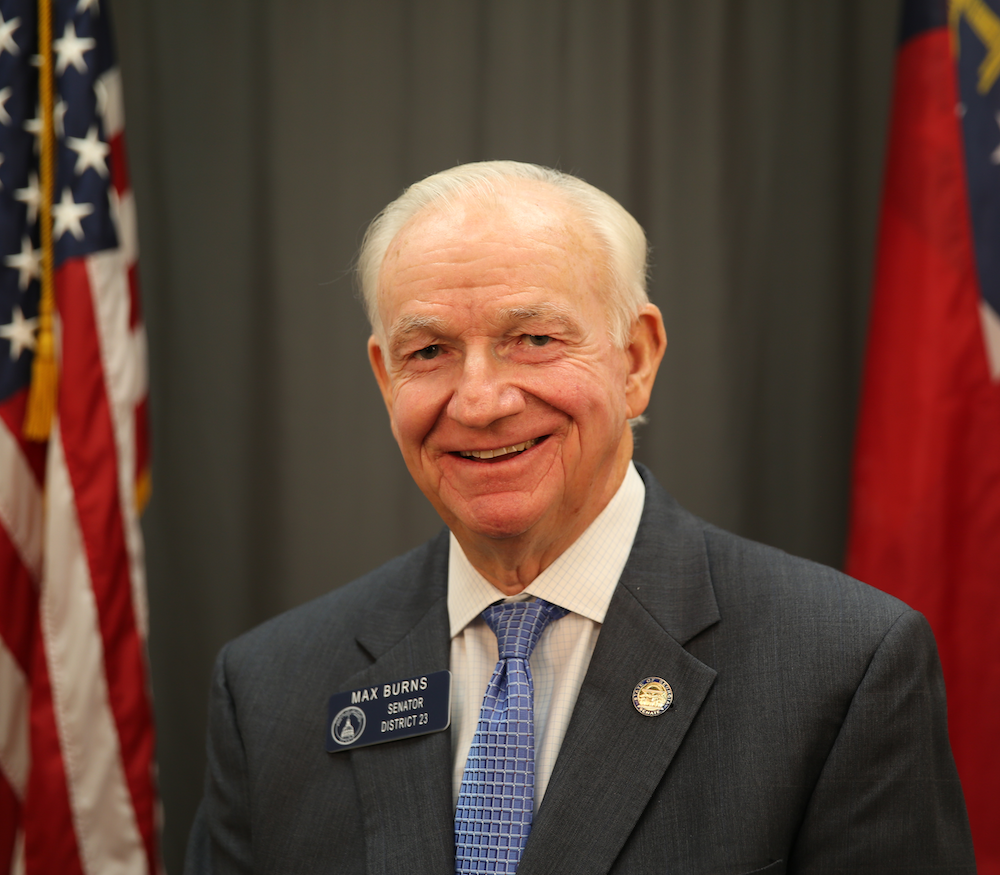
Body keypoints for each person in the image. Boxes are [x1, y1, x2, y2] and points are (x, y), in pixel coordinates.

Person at [185, 161, 975, 874]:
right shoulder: (269, 689)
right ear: (383, 375)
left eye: (532, 338)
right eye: (428, 352)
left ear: (636, 359)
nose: (481, 400)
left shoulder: (844, 668)